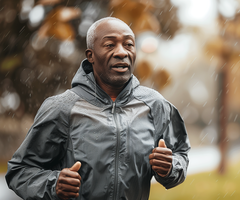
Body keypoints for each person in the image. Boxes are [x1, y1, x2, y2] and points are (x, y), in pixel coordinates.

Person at [5, 17, 190, 200]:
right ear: (90, 55)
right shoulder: (62, 108)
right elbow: (20, 171)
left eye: (128, 44)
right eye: (110, 45)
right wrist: (54, 185)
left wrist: (170, 167)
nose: (121, 52)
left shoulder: (155, 105)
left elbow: (180, 154)